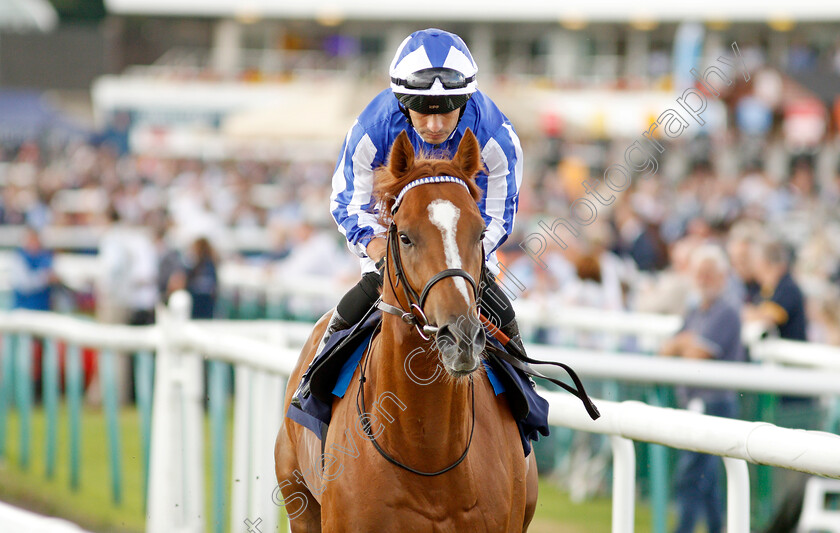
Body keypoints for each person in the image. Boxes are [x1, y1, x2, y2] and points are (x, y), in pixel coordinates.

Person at [312, 28, 525, 364]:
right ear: (403, 102)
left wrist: (458, 252)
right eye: (424, 110)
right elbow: (347, 202)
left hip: (465, 252)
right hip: (397, 244)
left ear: (464, 101)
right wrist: (378, 248)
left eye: (447, 110)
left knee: (504, 314)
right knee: (360, 298)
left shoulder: (496, 137)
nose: (436, 125)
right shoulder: (373, 127)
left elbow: (498, 217)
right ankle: (311, 385)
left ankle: (526, 392)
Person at [659, 245, 744, 533]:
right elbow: (668, 349)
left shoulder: (728, 311)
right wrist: (686, 342)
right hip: (696, 401)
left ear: (722, 276)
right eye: (700, 273)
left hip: (716, 404)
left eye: (710, 273)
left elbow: (695, 353)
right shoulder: (695, 308)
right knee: (706, 483)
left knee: (691, 477)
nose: (704, 279)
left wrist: (685, 343)